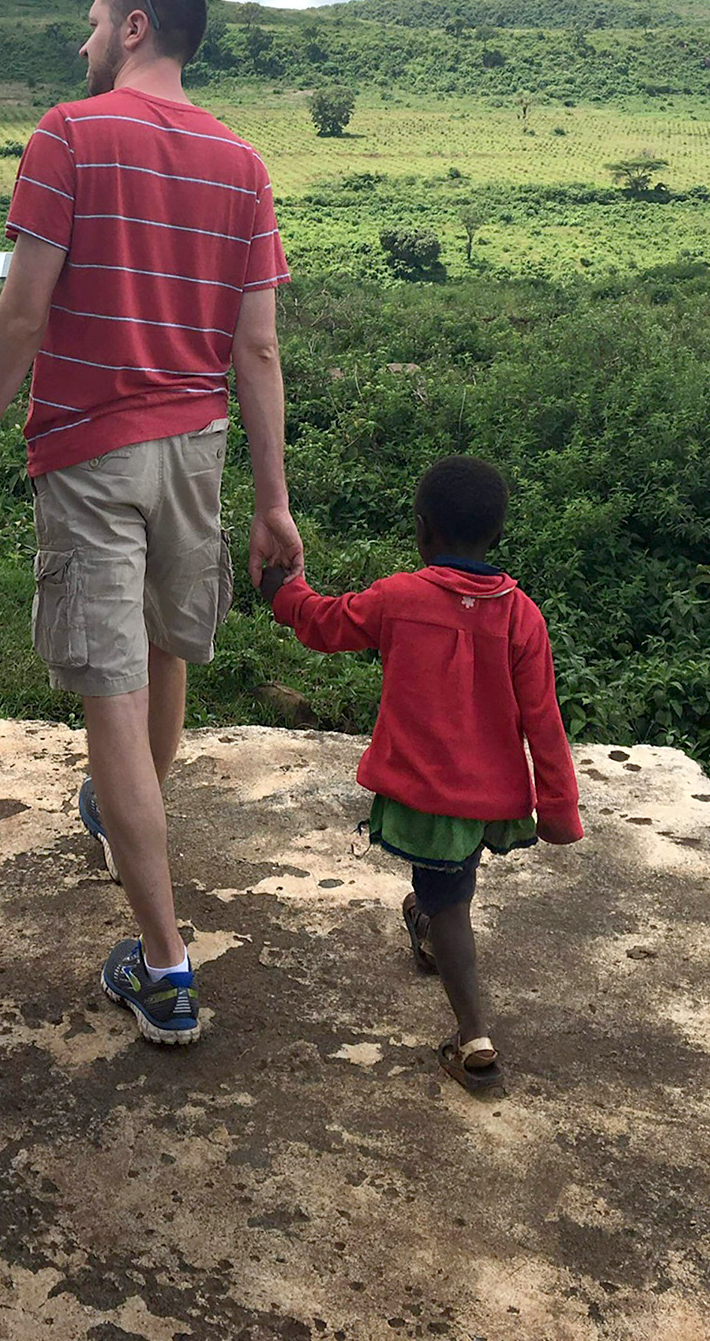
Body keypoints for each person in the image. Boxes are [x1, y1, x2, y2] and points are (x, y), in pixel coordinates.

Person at [0, 0, 302, 1048]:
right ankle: (119, 812)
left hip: (90, 455)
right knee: (167, 655)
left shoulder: (69, 135)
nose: (81, 43)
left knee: (109, 695)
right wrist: (272, 503)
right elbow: (260, 349)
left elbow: (22, 317)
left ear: (135, 26)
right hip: (196, 451)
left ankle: (167, 967)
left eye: (93, 23)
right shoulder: (243, 162)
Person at [262, 455, 584, 1096]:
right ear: (495, 536)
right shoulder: (522, 617)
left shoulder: (401, 599)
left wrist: (282, 591)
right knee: (446, 887)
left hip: (431, 798)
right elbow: (544, 721)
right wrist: (558, 808)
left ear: (423, 531)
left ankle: (475, 1041)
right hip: (487, 798)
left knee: (450, 902)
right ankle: (428, 933)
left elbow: (326, 624)